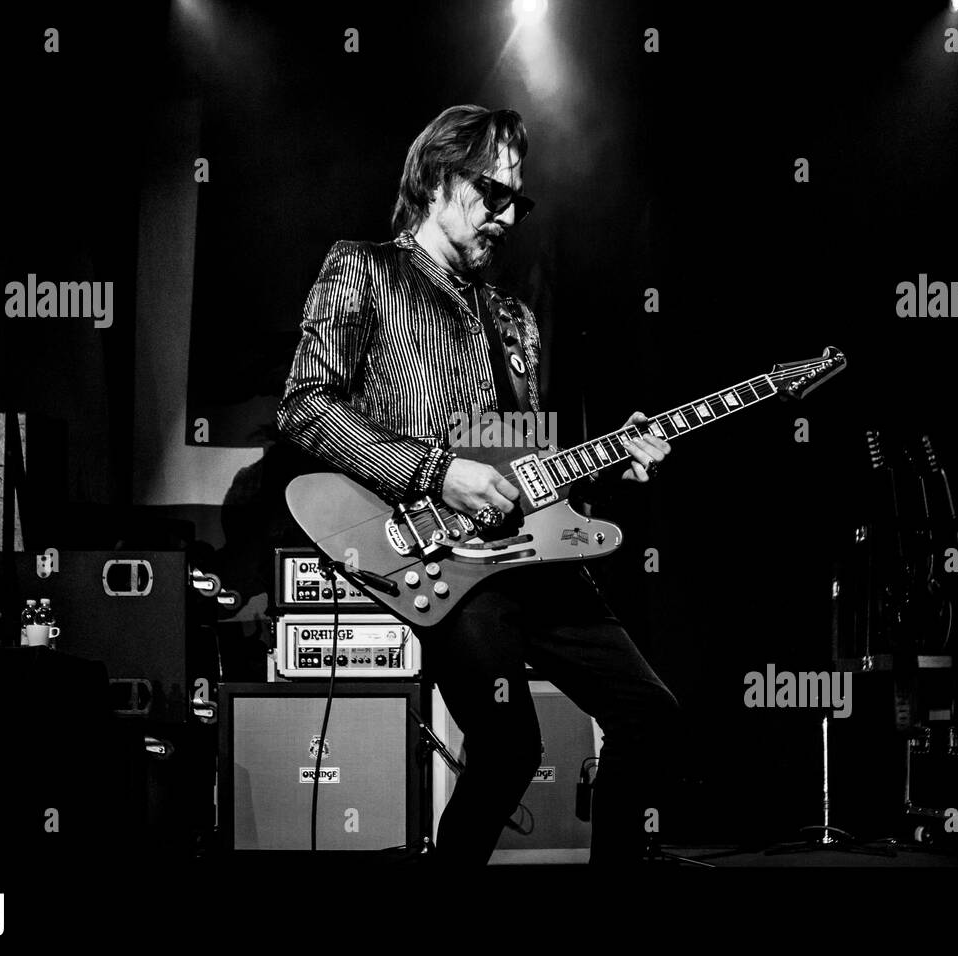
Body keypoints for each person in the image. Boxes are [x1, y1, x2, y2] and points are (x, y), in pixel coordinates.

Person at [277, 105, 680, 864]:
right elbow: (305, 407)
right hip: (443, 561)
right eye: (490, 192)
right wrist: (436, 470)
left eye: (516, 201)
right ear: (435, 180)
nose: (506, 214)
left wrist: (617, 467)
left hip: (534, 555)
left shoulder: (516, 321)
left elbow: (532, 479)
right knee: (507, 749)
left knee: (650, 713)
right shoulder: (365, 270)